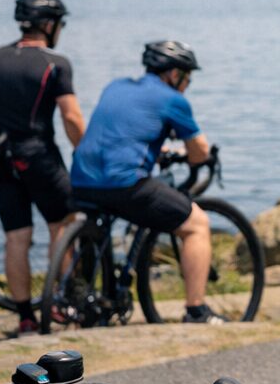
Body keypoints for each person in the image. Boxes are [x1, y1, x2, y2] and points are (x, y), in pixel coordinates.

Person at [69, 40, 225, 324]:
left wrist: (160, 150)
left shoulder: (115, 86)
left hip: (80, 179)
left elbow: (123, 132)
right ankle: (196, 311)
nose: (187, 84)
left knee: (103, 220)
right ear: (174, 74)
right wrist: (193, 158)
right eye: (187, 77)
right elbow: (199, 151)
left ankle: (81, 294)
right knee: (197, 225)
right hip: (125, 185)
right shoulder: (173, 99)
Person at [0, 0, 85, 336]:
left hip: (0, 158)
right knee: (62, 226)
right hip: (39, 158)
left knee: (16, 238)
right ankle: (58, 305)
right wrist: (83, 150)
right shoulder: (56, 64)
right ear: (49, 25)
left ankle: (24, 318)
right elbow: (71, 117)